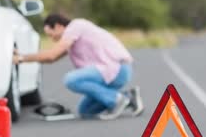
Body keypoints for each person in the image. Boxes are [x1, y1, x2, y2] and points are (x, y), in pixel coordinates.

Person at [13, 13, 144, 120]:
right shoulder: (72, 35)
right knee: (85, 111)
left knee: (71, 79)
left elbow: (51, 55)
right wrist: (23, 56)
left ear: (58, 26)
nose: (52, 38)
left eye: (50, 34)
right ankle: (128, 97)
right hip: (108, 72)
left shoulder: (75, 27)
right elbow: (51, 59)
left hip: (117, 68)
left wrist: (21, 58)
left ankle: (116, 100)